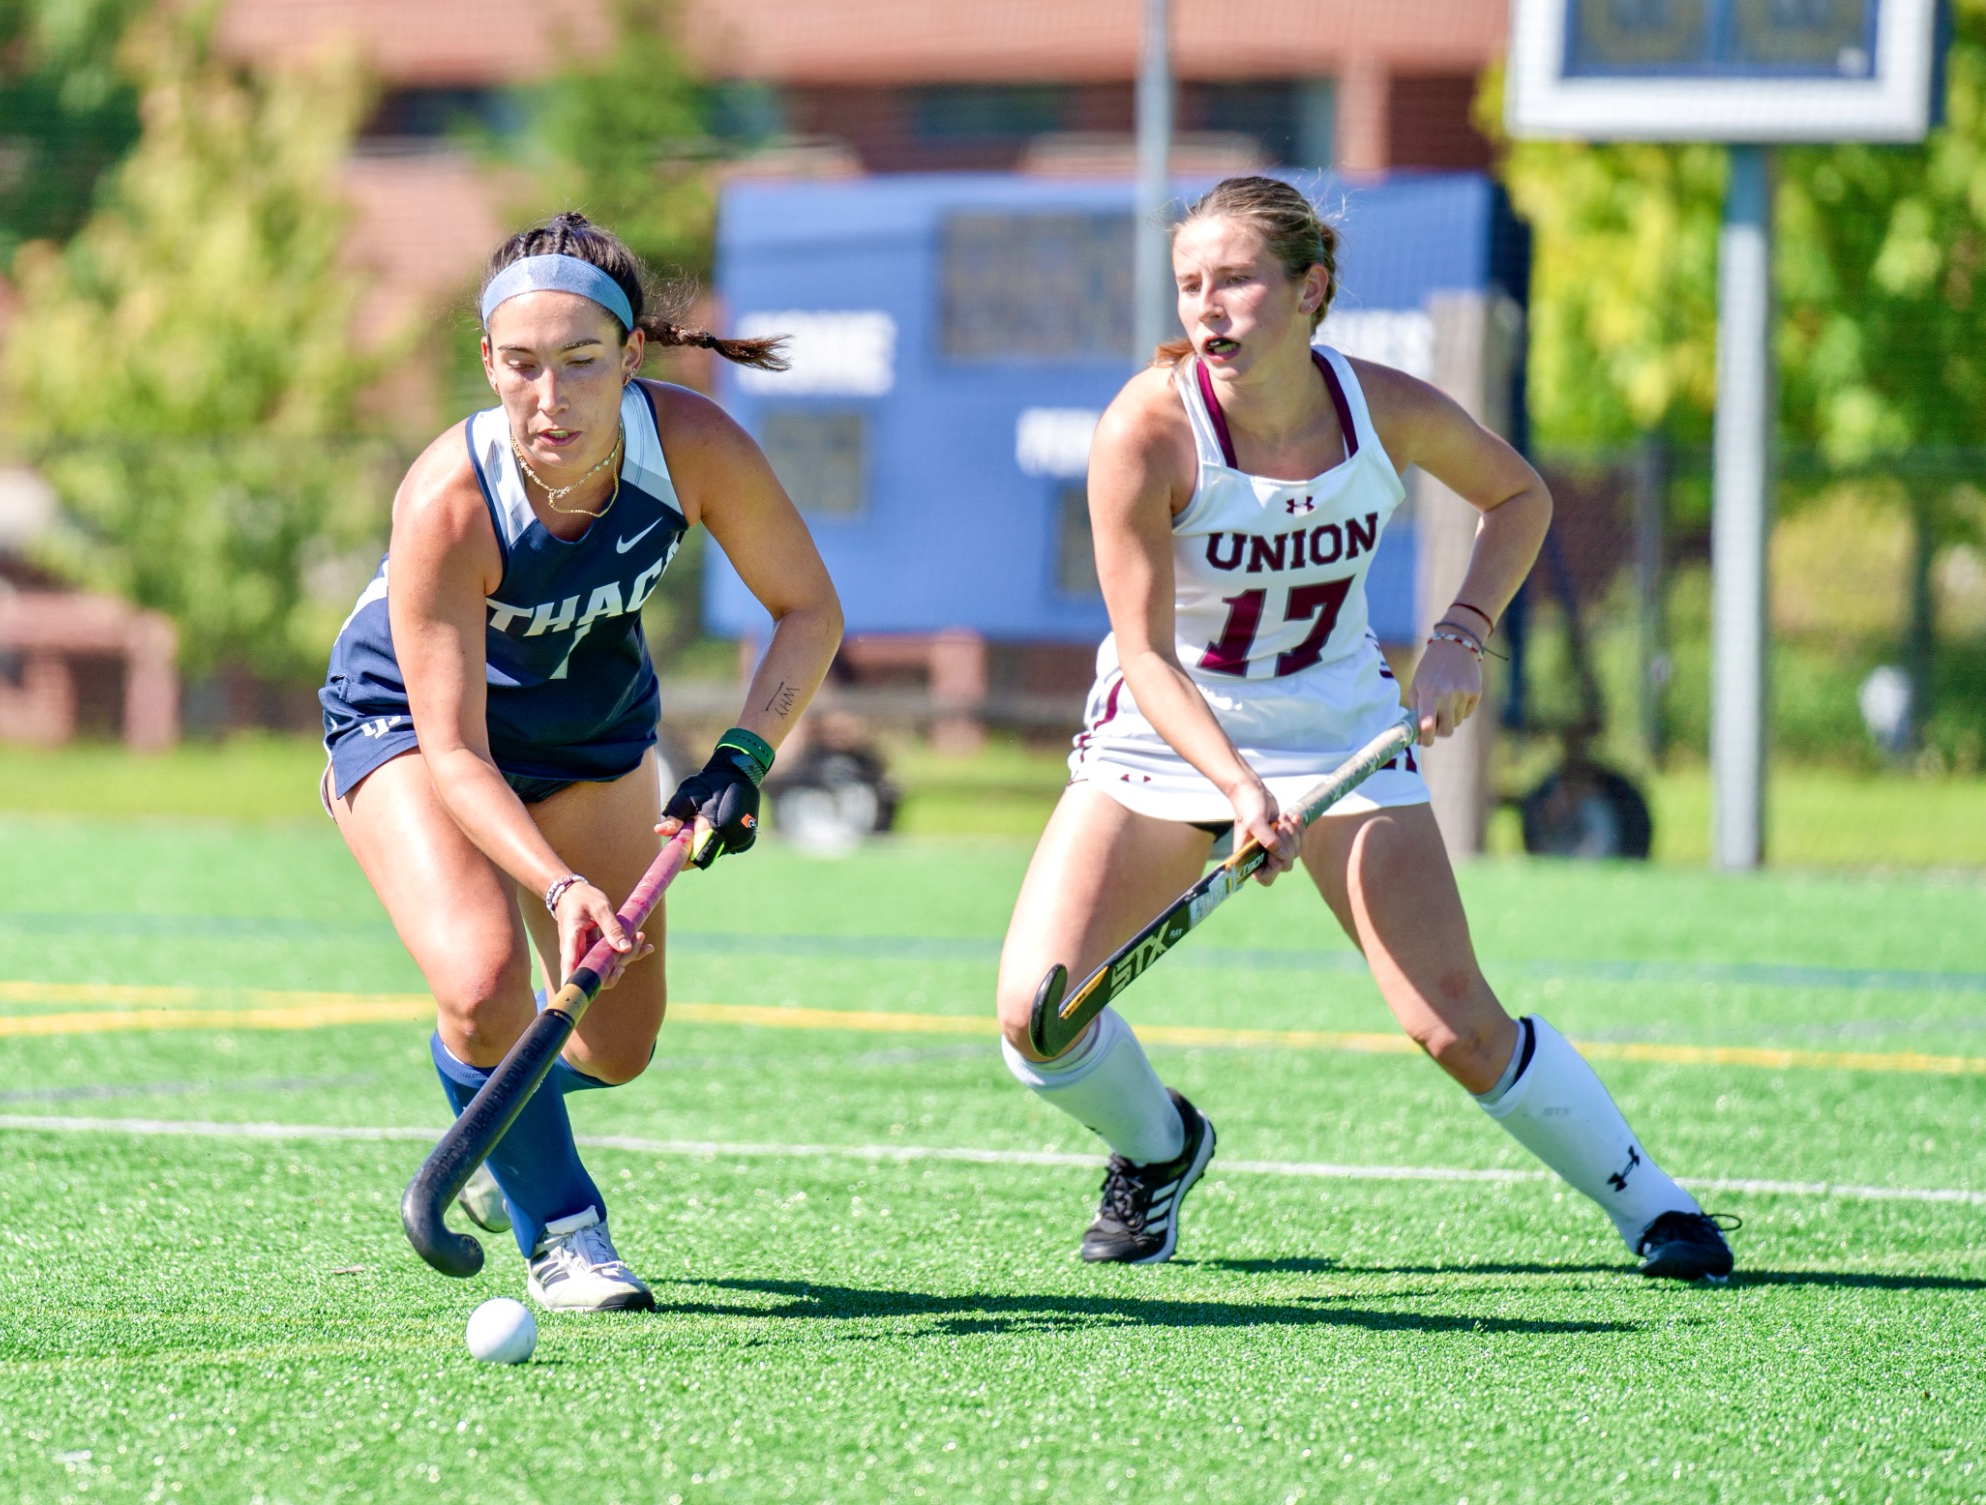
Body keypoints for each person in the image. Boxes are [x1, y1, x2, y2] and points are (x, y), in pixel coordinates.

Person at [994, 177, 1734, 1281]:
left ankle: (1655, 1207)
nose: (1208, 306)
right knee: (1036, 1020)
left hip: (1337, 729)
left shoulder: (1381, 405)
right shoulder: (1144, 429)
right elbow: (1143, 655)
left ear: (1310, 288)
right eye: (1190, 284)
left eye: (1235, 279)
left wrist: (1461, 631)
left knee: (1453, 1025)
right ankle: (1160, 1149)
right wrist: (1240, 792)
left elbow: (1517, 497)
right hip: (1163, 735)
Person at [321, 213, 842, 1311]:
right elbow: (455, 748)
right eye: (520, 366)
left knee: (617, 1043)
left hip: (591, 730)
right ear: (486, 364)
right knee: (479, 984)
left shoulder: (691, 447)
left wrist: (741, 755)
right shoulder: (448, 500)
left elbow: (808, 610)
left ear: (631, 355)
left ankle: (496, 1117)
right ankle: (563, 1228)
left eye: (579, 363)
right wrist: (556, 886)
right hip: (413, 732)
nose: (547, 399)